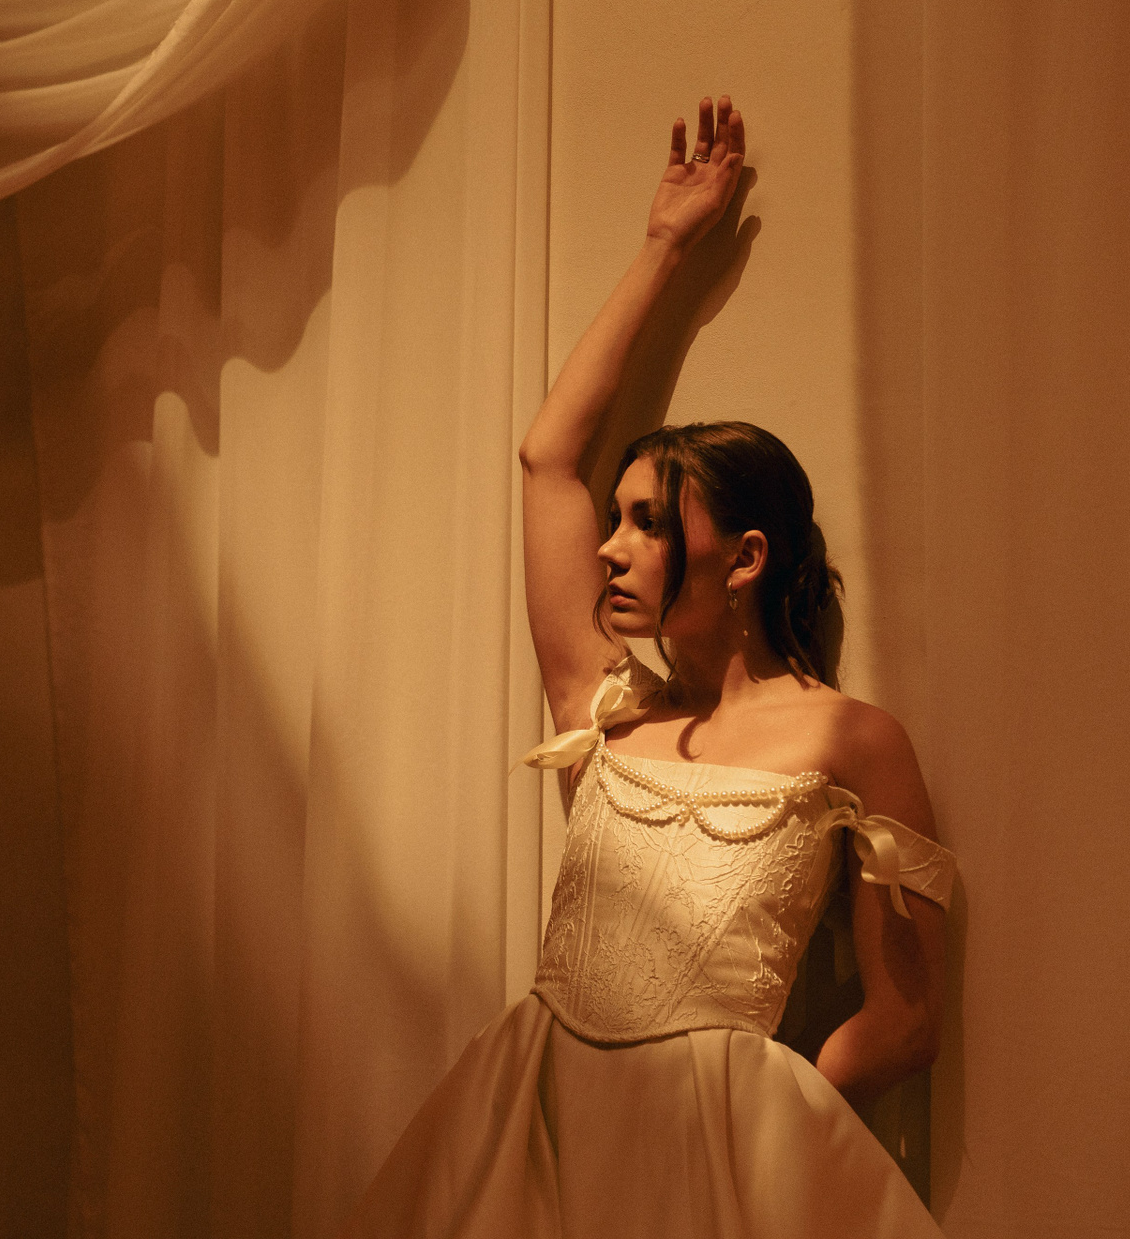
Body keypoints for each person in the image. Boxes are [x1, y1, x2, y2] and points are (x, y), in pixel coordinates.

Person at [339, 96, 955, 1238]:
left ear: (746, 557)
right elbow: (547, 457)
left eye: (649, 522)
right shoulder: (609, 708)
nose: (610, 548)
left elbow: (905, 1021)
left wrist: (761, 1117)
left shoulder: (854, 740)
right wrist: (665, 246)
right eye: (614, 518)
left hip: (713, 1159)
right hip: (533, 1124)